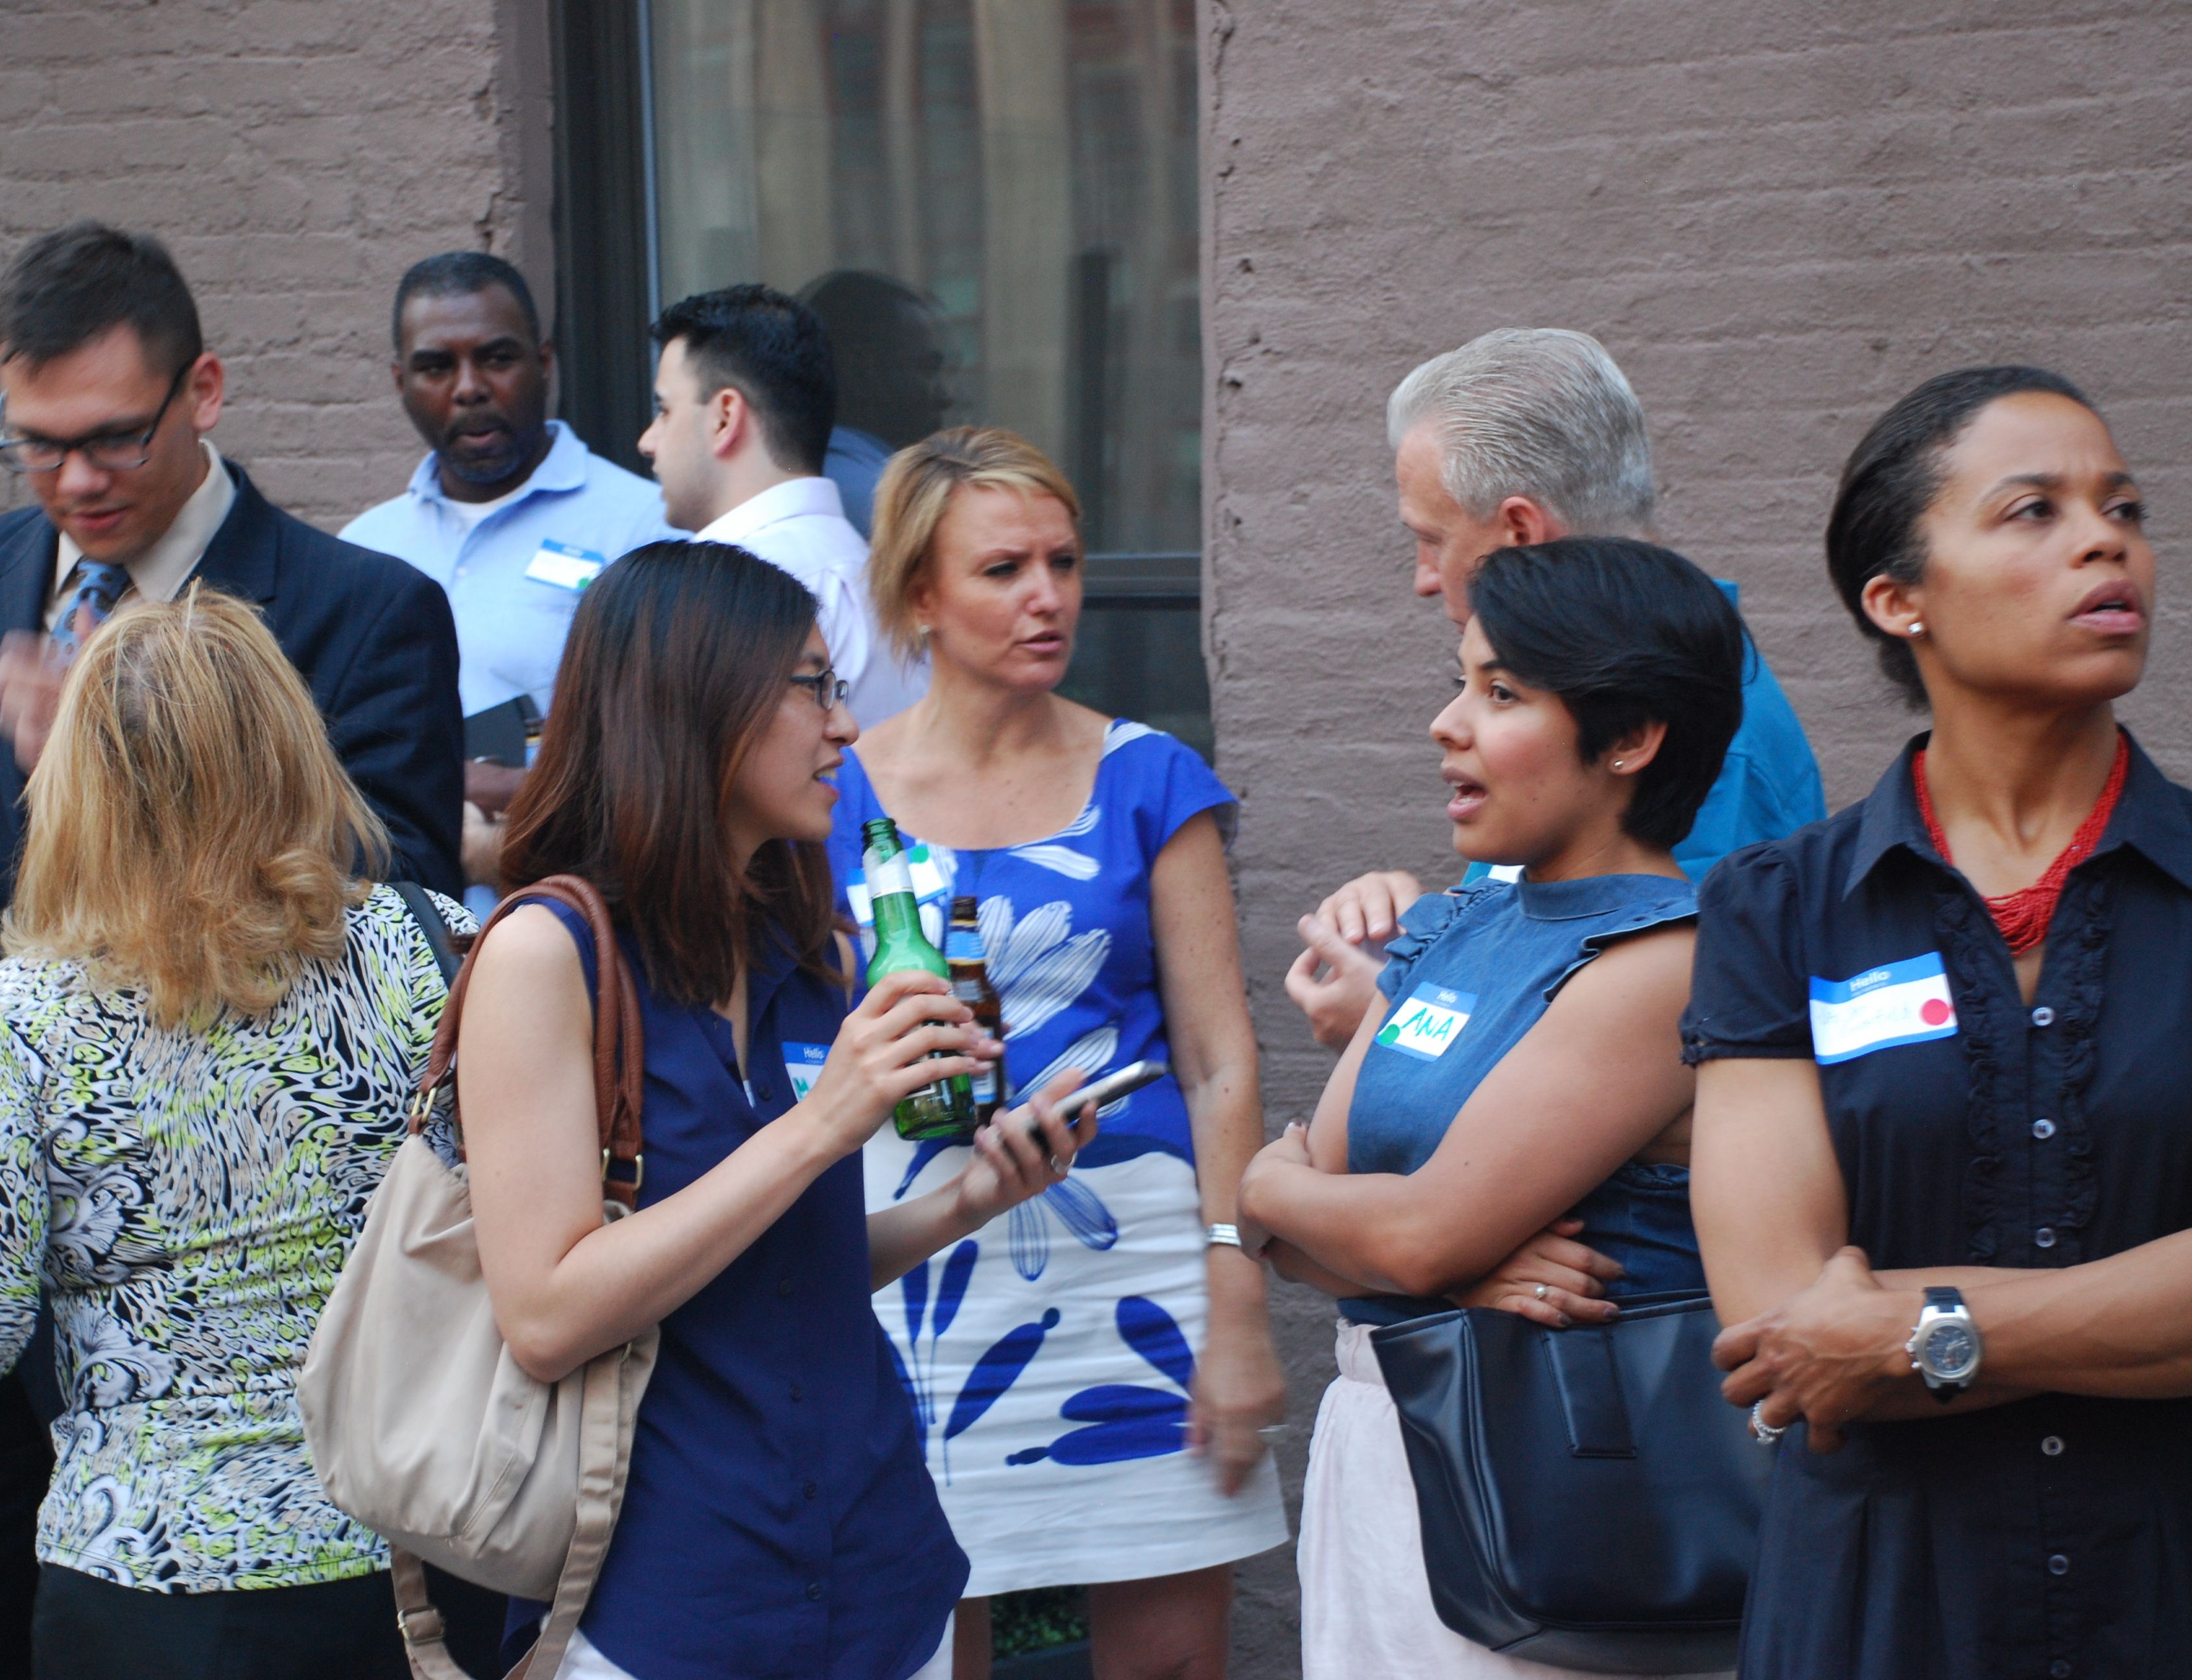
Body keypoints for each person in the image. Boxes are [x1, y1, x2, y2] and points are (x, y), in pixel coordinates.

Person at [0, 221, 464, 1679]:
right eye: (37, 444)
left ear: (206, 392)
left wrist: (140, 796)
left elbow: (408, 919)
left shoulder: (359, 610)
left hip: (248, 1356)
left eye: (113, 436)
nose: (76, 479)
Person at [1687, 366, 2192, 1679]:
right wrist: (2176, 1322)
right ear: (1898, 599)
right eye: (2032, 511)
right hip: (1885, 1608)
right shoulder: (1780, 912)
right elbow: (1781, 1337)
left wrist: (1907, 1331)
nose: (2106, 541)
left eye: (2124, 508)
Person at [457, 539, 1096, 1680]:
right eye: (813, 687)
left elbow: (785, 1269)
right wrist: (817, 1127)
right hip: (669, 1596)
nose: (844, 728)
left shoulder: (805, 950)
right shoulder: (545, 955)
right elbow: (546, 1312)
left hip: (879, 1568)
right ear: (697, 695)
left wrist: (973, 1197)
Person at [0, 589, 467, 1679]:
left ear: (80, 786)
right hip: (426, 1549)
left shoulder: (25, 1016)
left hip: (149, 1580)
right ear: (294, 747)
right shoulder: (436, 950)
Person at [1237, 536, 1745, 1679]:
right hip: (1380, 1451)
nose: (1445, 721)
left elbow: (1379, 1220)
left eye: (1500, 691)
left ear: (1628, 738)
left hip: (1559, 1497)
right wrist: (1426, 1259)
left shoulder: (1663, 957)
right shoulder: (1459, 923)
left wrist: (1290, 1192)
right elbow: (1308, 1236)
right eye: (1461, 679)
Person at [830, 428, 1288, 1680]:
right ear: (918, 594)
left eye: (1065, 561)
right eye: (1003, 569)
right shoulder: (830, 792)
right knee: (920, 1649)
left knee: (1171, 1662)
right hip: (907, 1262)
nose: (1048, 596)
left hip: (1133, 1264)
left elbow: (1218, 1060)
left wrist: (1235, 1298)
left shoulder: (1146, 778)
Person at [1284, 327, 1824, 1050]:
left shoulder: (1704, 747)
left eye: (1431, 539)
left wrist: (1389, 1020)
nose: (1421, 577)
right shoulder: (1618, 702)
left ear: (1517, 534)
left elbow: (1637, 1056)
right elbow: (1544, 952)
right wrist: (1428, 932)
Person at [341, 251, 676, 909]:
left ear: (544, 364)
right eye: (437, 366)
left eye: (496, 359)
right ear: (398, 381)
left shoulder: (642, 529)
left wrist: (509, 794)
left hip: (576, 935)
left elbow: (676, 759)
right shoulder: (361, 551)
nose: (468, 387)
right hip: (394, 963)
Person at [639, 283, 927, 725]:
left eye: (664, 410)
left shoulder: (720, 595)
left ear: (724, 417)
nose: (647, 441)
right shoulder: (871, 580)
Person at [800, 270, 953, 538]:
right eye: (927, 369)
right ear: (864, 371)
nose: (946, 396)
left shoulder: (811, 474)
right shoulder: (876, 500)